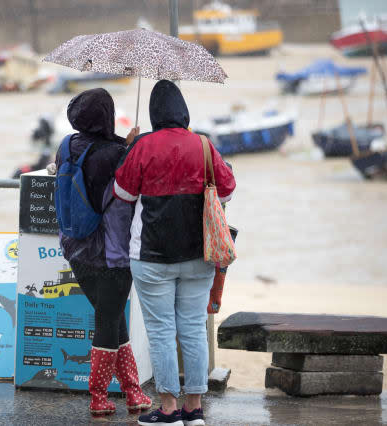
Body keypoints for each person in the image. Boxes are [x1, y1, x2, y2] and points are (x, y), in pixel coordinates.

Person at [113, 80, 235, 426]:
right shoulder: (203, 144)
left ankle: (168, 409)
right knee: (194, 328)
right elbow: (226, 192)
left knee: (162, 330)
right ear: (183, 111)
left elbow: (122, 193)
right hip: (199, 255)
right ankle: (194, 409)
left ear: (154, 113)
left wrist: (130, 148)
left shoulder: (143, 146)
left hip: (151, 257)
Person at [55, 88, 151, 416]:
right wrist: (132, 145)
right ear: (106, 116)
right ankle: (97, 397)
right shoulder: (115, 152)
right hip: (111, 253)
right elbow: (122, 174)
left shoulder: (66, 145)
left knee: (111, 318)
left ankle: (133, 391)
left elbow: (94, 163)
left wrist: (123, 145)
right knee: (107, 319)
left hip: (75, 248)